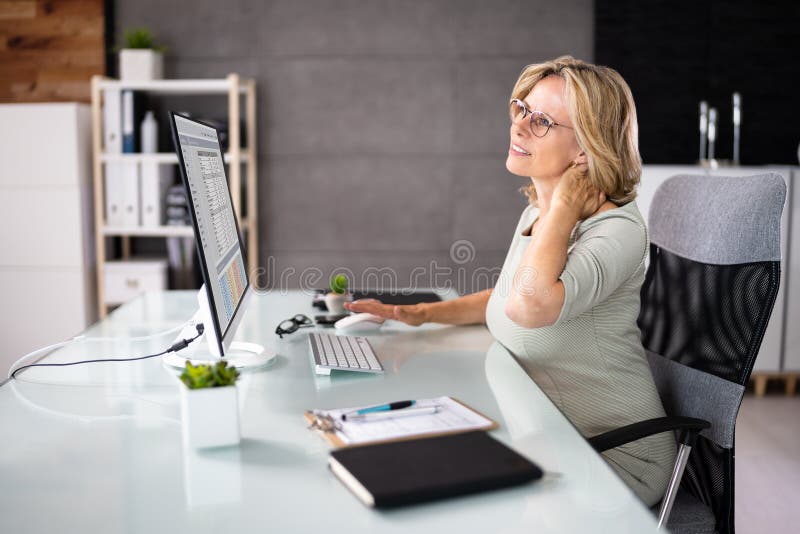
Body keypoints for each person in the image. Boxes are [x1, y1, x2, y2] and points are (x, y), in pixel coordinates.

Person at [345, 56, 676, 506]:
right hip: (547, 429)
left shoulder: (616, 230)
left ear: (586, 148)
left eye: (541, 121)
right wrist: (415, 313)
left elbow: (528, 306)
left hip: (613, 458)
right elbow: (506, 297)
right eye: (521, 109)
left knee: (436, 484)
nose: (518, 126)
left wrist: (563, 209)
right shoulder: (538, 215)